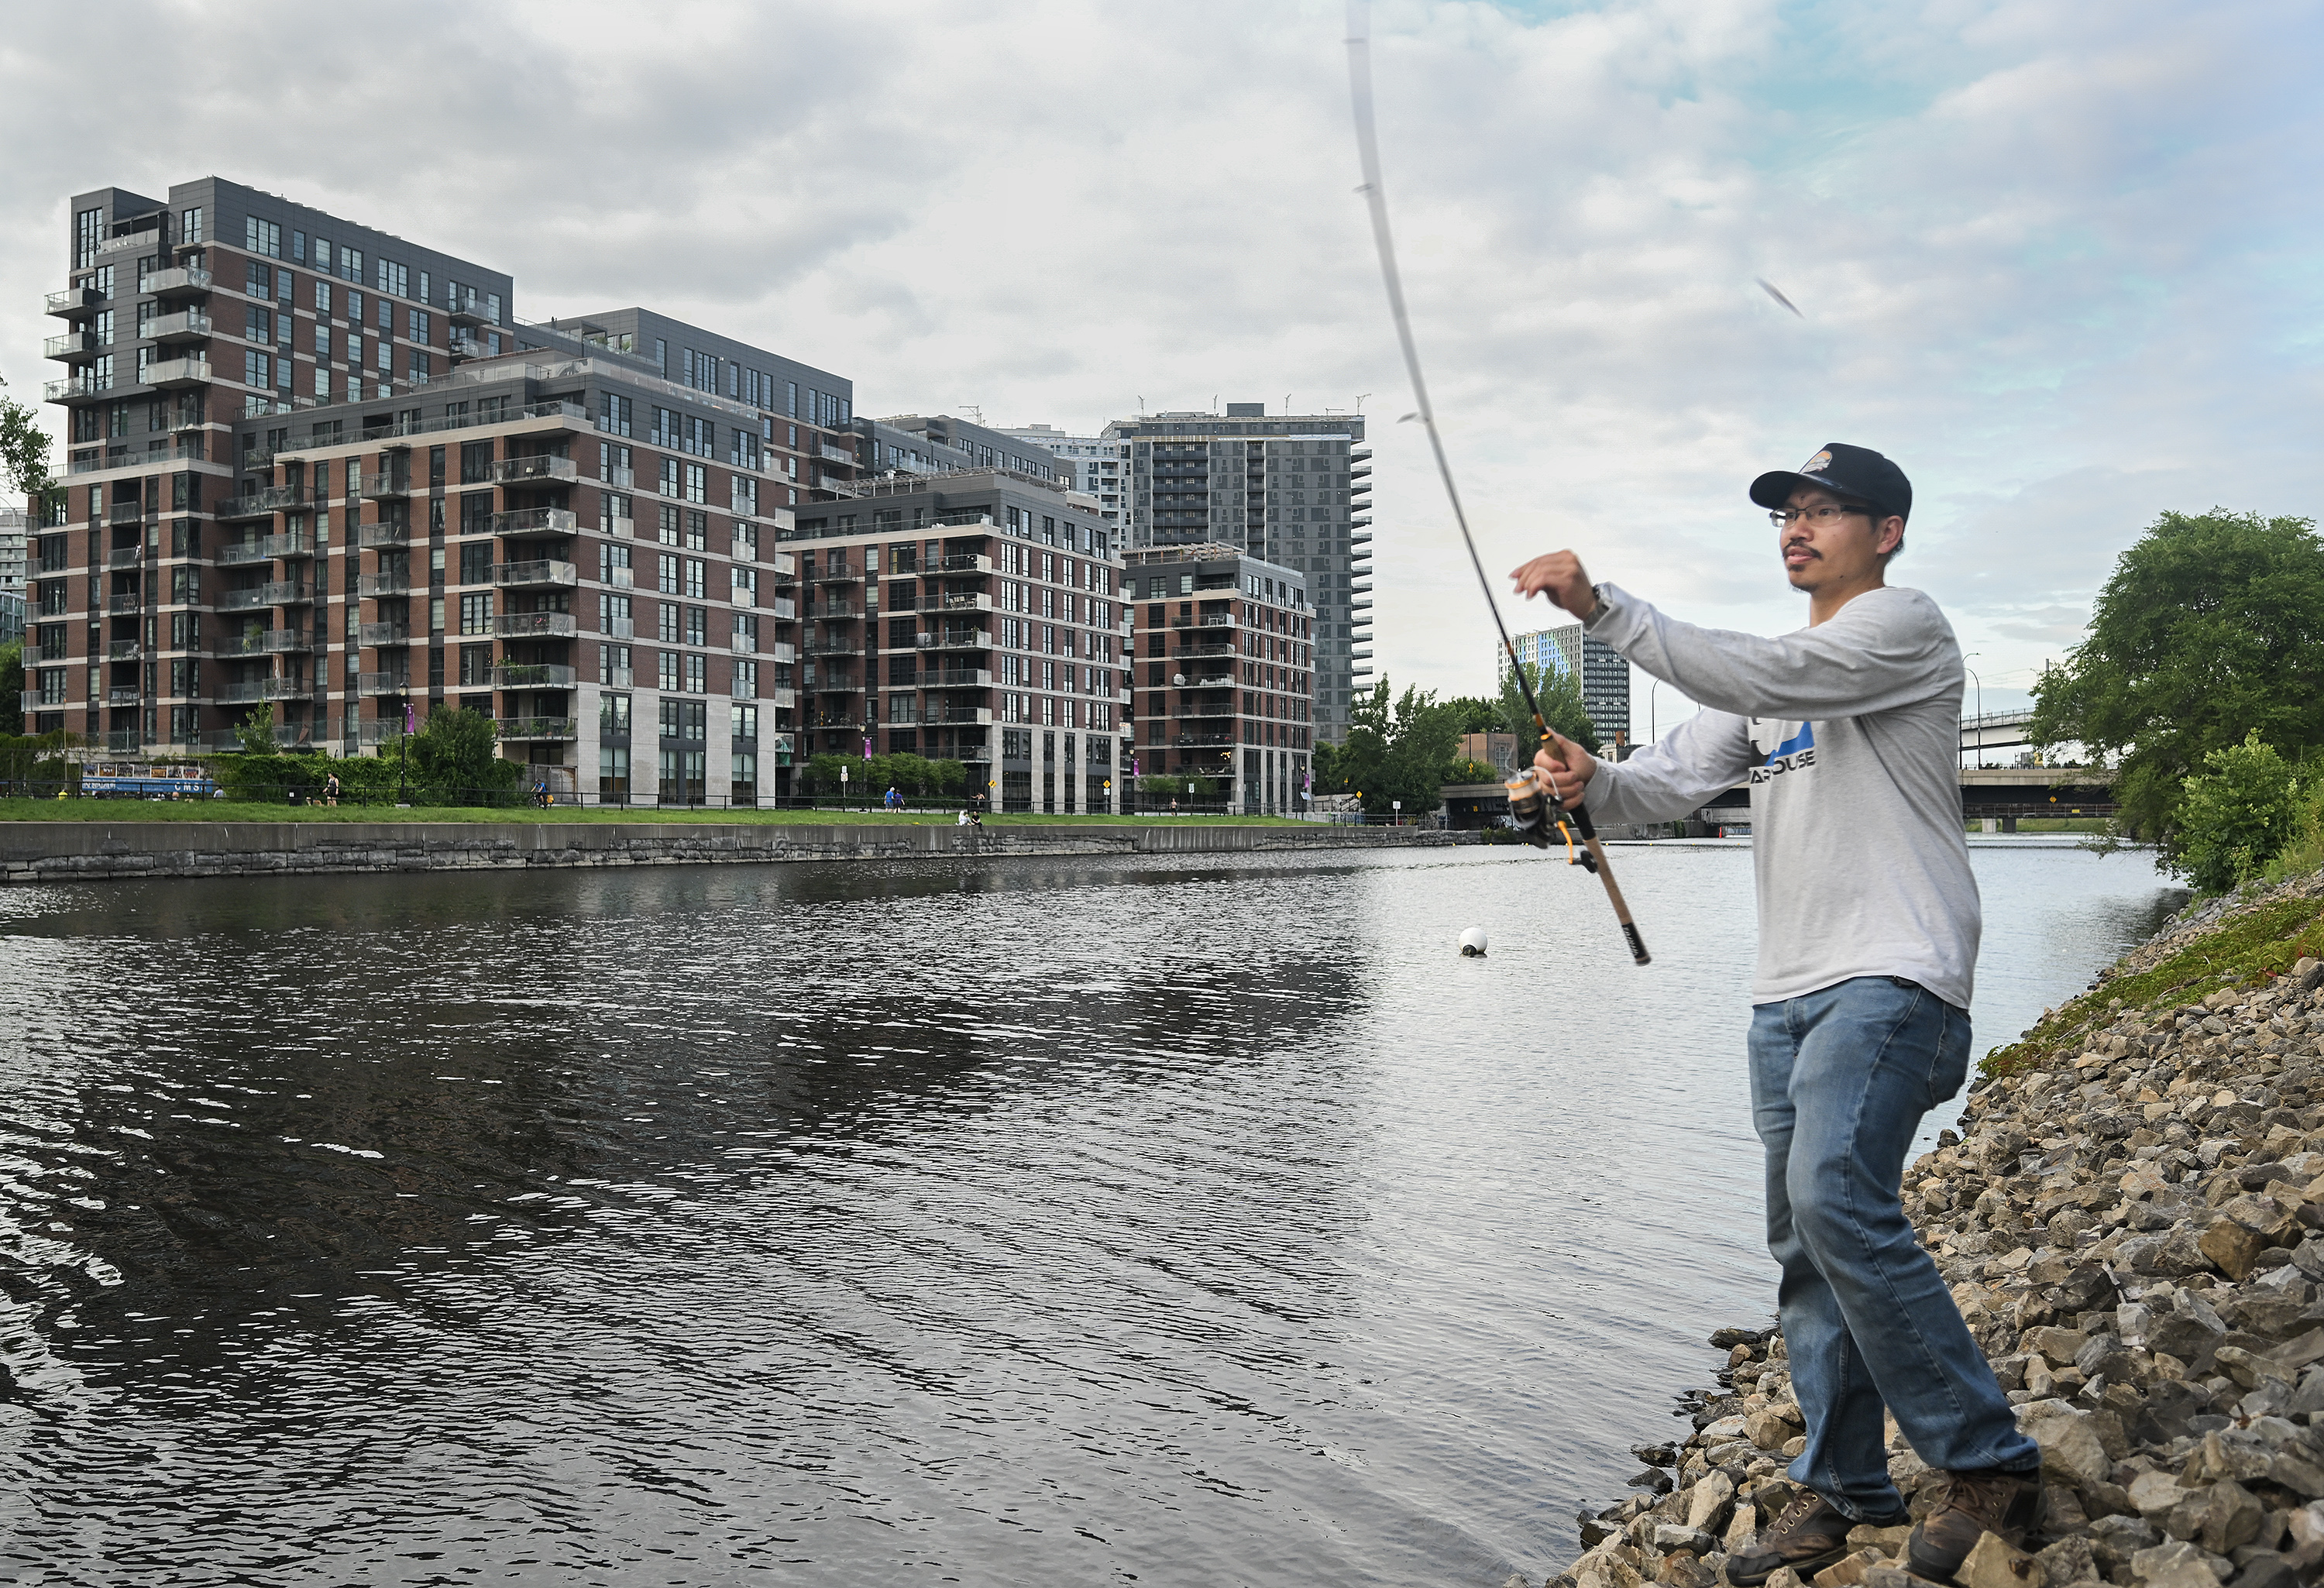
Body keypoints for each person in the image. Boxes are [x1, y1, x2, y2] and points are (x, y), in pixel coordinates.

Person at [1509, 444, 2040, 1586]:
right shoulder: (1769, 687)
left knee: (1834, 1194)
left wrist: (1603, 609)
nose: (1798, 528)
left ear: (1887, 531)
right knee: (1804, 1240)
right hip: (1784, 995)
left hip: (1896, 972)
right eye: (1786, 514)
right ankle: (1844, 1484)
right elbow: (1660, 785)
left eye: (1825, 510)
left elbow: (1767, 670)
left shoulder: (1903, 628)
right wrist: (1591, 780)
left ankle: (1988, 1461)